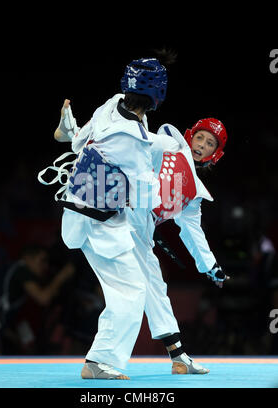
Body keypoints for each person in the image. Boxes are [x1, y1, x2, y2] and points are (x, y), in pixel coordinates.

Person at [39, 57, 168, 379]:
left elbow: (80, 140)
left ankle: (99, 359)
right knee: (131, 290)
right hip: (101, 224)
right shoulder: (134, 141)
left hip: (76, 209)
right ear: (159, 93)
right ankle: (99, 362)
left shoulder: (111, 105)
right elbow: (145, 197)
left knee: (121, 287)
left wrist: (69, 131)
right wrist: (163, 159)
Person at [125, 118, 230, 374]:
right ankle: (178, 356)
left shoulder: (194, 194)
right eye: (200, 138)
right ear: (190, 137)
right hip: (122, 209)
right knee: (143, 289)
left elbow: (194, 234)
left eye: (209, 143)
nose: (201, 145)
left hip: (140, 229)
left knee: (149, 287)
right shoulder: (171, 145)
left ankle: (178, 356)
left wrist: (211, 267)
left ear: (214, 154)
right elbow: (138, 144)